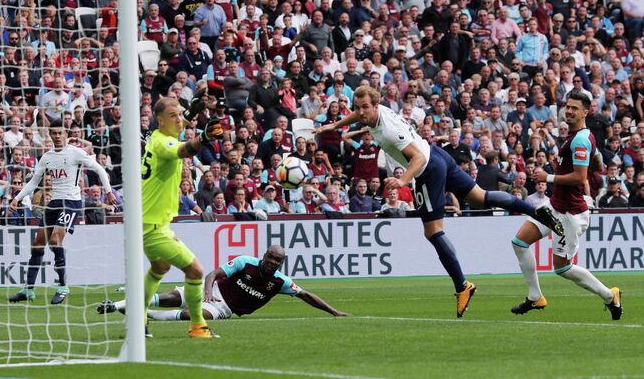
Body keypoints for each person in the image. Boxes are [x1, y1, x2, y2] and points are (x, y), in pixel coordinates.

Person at [314, 86, 564, 318]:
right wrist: (335, 125)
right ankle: (539, 212)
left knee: (433, 231)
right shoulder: (375, 112)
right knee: (480, 197)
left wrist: (402, 182)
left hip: (427, 167)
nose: (359, 113)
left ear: (375, 105)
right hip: (438, 154)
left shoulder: (389, 129)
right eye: (356, 107)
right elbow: (360, 116)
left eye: (364, 107)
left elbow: (418, 158)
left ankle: (462, 285)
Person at [509, 90, 622, 320]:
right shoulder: (579, 136)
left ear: (585, 112)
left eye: (574, 108)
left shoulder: (580, 139)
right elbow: (598, 163)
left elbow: (581, 178)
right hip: (555, 206)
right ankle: (535, 297)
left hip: (569, 213)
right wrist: (561, 165)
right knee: (520, 242)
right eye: (567, 107)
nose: (569, 111)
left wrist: (547, 177)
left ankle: (609, 295)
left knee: (562, 268)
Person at [140, 95, 224, 339]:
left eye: (180, 115)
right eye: (173, 116)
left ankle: (139, 317)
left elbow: (177, 131)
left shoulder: (160, 136)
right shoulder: (161, 144)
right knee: (196, 271)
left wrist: (190, 113)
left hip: (150, 221)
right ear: (159, 120)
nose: (179, 120)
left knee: (160, 267)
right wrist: (205, 137)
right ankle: (198, 327)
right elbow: (183, 149)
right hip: (152, 227)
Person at [8, 120, 116, 305]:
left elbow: (98, 168)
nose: (57, 136)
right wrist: (17, 198)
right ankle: (28, 289)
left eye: (60, 133)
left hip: (71, 202)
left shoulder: (75, 152)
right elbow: (34, 182)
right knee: (38, 243)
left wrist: (108, 192)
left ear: (66, 134)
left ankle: (63, 286)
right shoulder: (47, 157)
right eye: (54, 133)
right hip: (54, 202)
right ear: (50, 134)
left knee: (56, 240)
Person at [98, 245, 350, 320]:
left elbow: (305, 295)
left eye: (277, 261)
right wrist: (208, 292)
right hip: (214, 292)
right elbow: (213, 274)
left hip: (224, 308)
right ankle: (120, 304)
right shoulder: (245, 262)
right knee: (172, 297)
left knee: (191, 315)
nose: (272, 262)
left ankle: (141, 313)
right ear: (264, 256)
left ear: (281, 264)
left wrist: (334, 311)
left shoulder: (280, 282)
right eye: (270, 258)